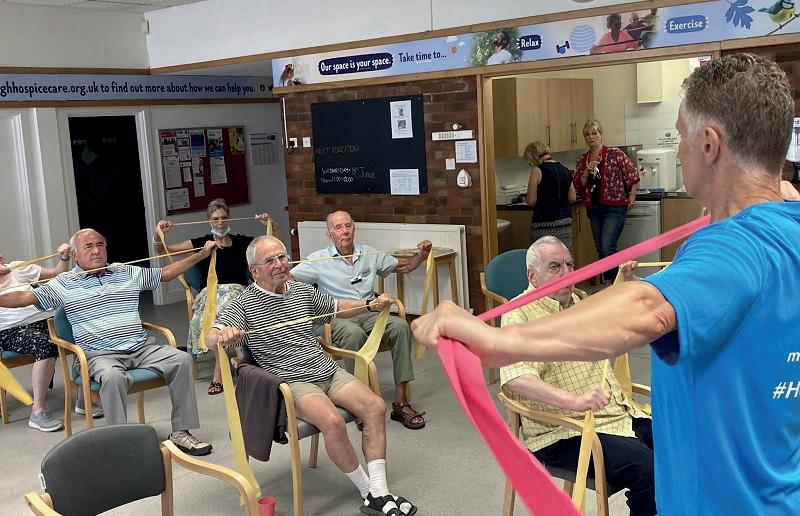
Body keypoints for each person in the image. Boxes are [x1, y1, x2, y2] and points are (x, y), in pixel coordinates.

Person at [411, 53, 800, 513]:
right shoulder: (787, 227)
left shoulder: (733, 248)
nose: (679, 151)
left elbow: (646, 309)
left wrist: (496, 342)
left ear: (709, 144)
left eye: (680, 136)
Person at [207, 236, 418, 516]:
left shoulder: (301, 290)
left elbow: (337, 307)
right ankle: (369, 492)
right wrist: (223, 335)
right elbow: (211, 337)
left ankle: (379, 491)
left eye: (282, 257)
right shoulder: (242, 304)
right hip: (292, 381)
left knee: (375, 407)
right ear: (254, 270)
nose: (279, 264)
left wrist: (370, 304)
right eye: (270, 261)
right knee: (333, 421)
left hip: (325, 369)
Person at [0, 228, 218, 456]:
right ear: (75, 254)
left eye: (100, 245)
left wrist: (201, 254)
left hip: (141, 348)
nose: (96, 251)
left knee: (181, 359)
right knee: (113, 377)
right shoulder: (63, 283)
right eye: (88, 246)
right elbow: (24, 297)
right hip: (99, 355)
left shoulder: (125, 271)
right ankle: (120, 443)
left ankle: (181, 432)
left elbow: (166, 273)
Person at [501, 236, 654, 515]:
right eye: (555, 267)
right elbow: (516, 378)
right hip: (563, 432)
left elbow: (624, 317)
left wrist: (629, 284)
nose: (567, 274)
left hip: (614, 415)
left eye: (569, 265)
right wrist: (575, 401)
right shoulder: (518, 315)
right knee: (648, 470)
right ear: (532, 276)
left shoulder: (579, 301)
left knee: (678, 444)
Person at [289, 210, 430, 430]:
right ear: (329, 234)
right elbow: (288, 280)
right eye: (338, 227)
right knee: (353, 334)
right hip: (335, 317)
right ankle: (360, 403)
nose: (345, 231)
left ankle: (401, 402)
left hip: (369, 313)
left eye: (348, 226)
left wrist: (421, 255)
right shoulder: (318, 259)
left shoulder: (369, 253)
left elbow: (404, 266)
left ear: (354, 229)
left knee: (401, 326)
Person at [154, 198, 272, 395]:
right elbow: (161, 250)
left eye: (224, 218)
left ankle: (221, 372)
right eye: (215, 219)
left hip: (237, 292)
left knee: (228, 305)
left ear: (229, 218)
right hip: (209, 295)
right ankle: (243, 361)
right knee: (223, 307)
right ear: (209, 220)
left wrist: (271, 224)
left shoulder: (242, 242)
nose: (220, 223)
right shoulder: (201, 243)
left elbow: (272, 244)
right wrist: (159, 234)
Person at [0, 243, 101, 431]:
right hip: (11, 330)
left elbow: (56, 273)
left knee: (86, 332)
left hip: (46, 320)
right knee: (45, 345)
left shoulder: (18, 268)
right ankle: (37, 412)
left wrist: (64, 257)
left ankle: (83, 397)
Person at [574, 119, 639, 283]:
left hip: (614, 207)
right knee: (600, 249)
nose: (591, 137)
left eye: (594, 133)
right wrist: (586, 172)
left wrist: (632, 195)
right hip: (594, 209)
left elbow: (632, 173)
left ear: (601, 135)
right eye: (587, 134)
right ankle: (612, 283)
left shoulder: (614, 153)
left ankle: (616, 283)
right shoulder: (583, 160)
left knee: (607, 247)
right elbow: (578, 186)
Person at [523, 141, 577, 253]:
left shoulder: (537, 170)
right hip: (565, 221)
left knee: (542, 258)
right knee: (564, 257)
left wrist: (525, 199)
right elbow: (572, 197)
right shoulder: (565, 169)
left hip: (544, 223)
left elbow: (531, 200)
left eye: (531, 161)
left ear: (534, 157)